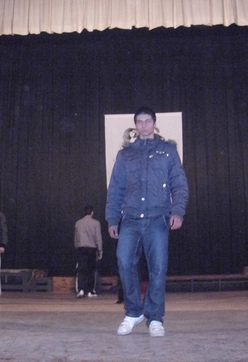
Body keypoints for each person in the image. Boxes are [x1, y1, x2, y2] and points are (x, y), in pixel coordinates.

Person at [106, 106, 189, 337]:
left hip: (157, 219)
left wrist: (177, 211)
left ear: (154, 123)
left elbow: (179, 184)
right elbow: (115, 189)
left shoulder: (168, 151)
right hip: (130, 219)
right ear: (135, 125)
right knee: (124, 261)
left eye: (147, 121)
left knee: (158, 268)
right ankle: (134, 312)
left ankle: (154, 317)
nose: (143, 125)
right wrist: (112, 219)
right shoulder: (125, 154)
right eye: (139, 122)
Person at [74, 205, 103, 298]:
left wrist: (77, 247)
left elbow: (76, 238)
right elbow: (98, 238)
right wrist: (100, 251)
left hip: (81, 248)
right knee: (92, 270)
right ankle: (90, 291)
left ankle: (81, 290)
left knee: (81, 270)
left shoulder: (78, 223)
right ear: (92, 213)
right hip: (92, 249)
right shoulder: (96, 223)